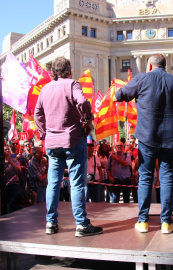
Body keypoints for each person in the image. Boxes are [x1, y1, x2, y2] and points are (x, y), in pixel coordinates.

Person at [113, 54, 173, 234]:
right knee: (166, 177)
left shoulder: (141, 79)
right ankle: (166, 222)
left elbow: (117, 97)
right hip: (169, 139)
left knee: (145, 177)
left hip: (147, 139)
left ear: (149, 65)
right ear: (165, 66)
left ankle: (143, 221)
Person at [34, 56, 102, 237]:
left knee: (53, 183)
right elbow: (82, 102)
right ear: (69, 70)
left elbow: (37, 114)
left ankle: (50, 223)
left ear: (53, 71)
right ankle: (81, 224)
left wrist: (44, 133)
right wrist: (87, 120)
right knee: (77, 183)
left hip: (52, 143)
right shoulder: (72, 84)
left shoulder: (45, 89)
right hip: (73, 140)